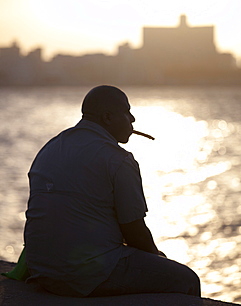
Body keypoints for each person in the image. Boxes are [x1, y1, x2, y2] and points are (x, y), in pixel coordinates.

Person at [24, 85, 201, 297]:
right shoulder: (117, 159)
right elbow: (134, 230)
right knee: (188, 280)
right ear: (108, 117)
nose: (133, 119)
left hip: (40, 269)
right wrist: (157, 258)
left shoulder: (50, 148)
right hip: (82, 275)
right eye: (127, 112)